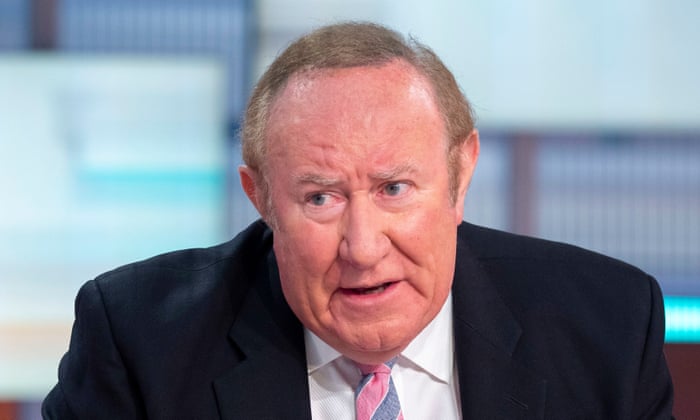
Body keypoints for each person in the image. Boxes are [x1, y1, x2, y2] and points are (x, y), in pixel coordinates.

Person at [43, 22, 673, 419]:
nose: (364, 249)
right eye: (321, 198)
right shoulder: (141, 341)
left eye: (394, 188)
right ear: (261, 199)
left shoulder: (606, 326)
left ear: (461, 175)